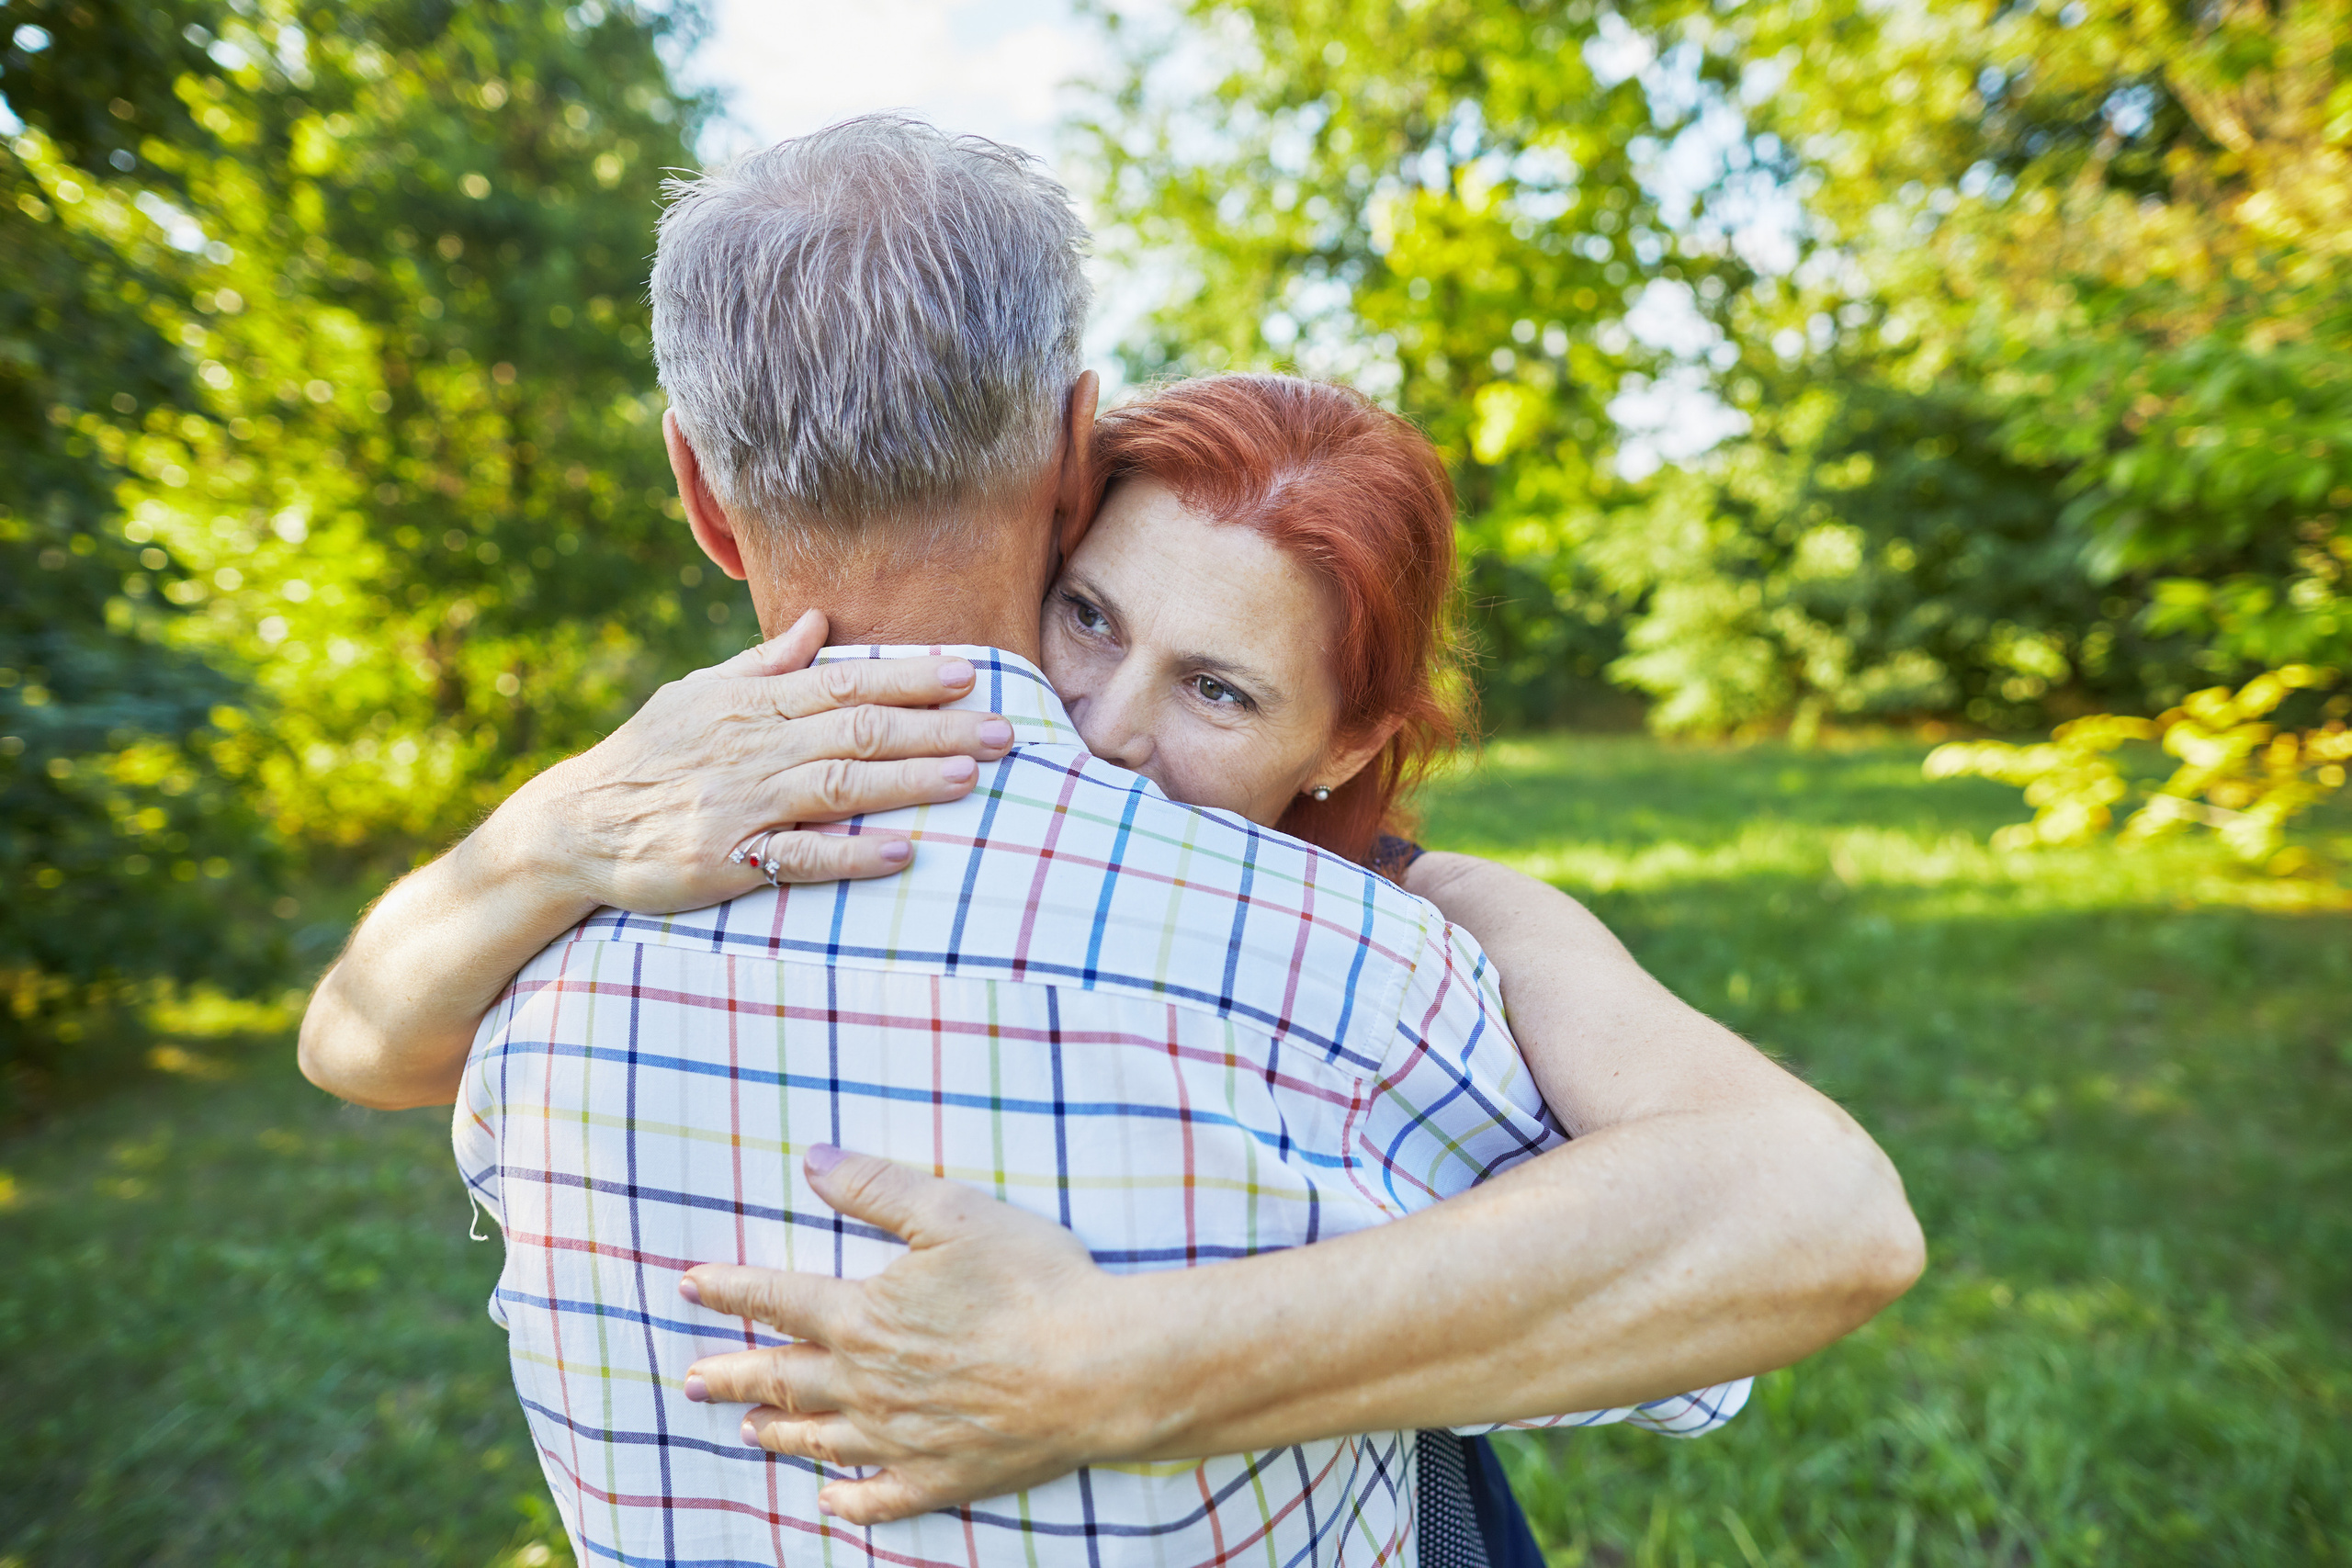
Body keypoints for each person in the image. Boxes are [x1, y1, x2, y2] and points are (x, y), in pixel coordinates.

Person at [299, 117, 1924, 1564]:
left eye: (1217, 688)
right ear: (1070, 459)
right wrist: (550, 832)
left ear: (699, 494)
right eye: (1092, 621)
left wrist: (1101, 1366)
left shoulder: (547, 988)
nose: (1109, 734)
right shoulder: (1361, 987)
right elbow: (1760, 1261)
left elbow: (357, 1044)